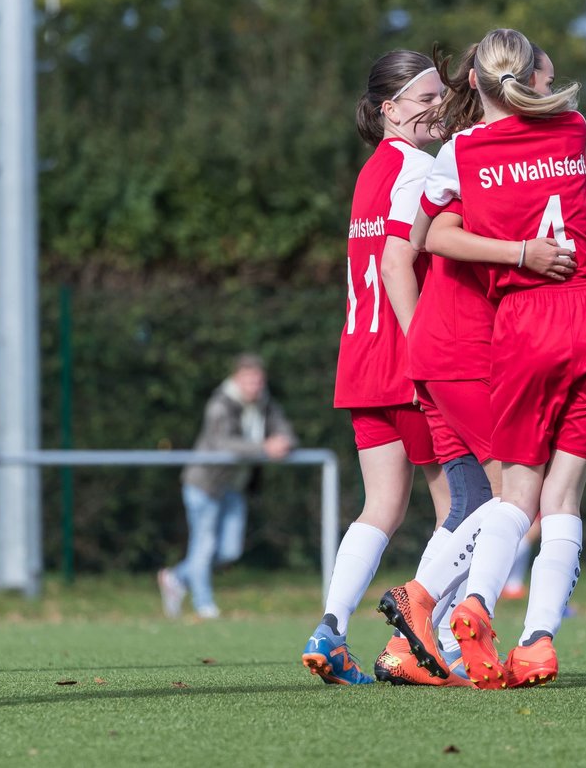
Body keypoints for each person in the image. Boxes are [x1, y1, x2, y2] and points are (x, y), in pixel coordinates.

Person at [389, 29, 586, 690]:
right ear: (530, 78)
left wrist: (517, 251)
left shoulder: (460, 152)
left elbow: (427, 234)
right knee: (564, 495)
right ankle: (540, 640)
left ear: (473, 83)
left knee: (514, 494)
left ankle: (472, 602)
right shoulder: (573, 128)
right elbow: (540, 92)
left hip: (524, 321)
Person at [300, 50, 450, 686]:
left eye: (442, 94)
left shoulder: (373, 170)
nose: (438, 106)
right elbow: (399, 268)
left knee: (382, 507)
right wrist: (428, 356)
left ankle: (330, 628)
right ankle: (432, 640)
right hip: (404, 358)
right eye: (425, 98)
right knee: (461, 507)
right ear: (388, 110)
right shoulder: (420, 168)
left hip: (360, 356)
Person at [158, 353, 296, 619]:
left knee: (229, 550)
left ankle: (175, 577)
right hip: (205, 485)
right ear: (236, 379)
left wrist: (284, 442)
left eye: (258, 381)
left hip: (234, 487)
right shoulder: (220, 404)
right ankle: (204, 605)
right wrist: (264, 448)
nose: (254, 387)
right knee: (204, 545)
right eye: (249, 381)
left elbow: (285, 430)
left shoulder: (266, 404)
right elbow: (225, 444)